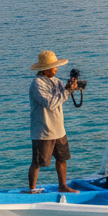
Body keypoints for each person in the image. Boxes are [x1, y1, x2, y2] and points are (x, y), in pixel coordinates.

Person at [26, 49, 80, 194]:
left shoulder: (57, 81)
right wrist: (67, 91)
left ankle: (63, 186)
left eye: (56, 67)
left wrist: (71, 87)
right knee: (37, 161)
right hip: (43, 129)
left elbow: (63, 95)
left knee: (62, 159)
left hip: (58, 128)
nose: (56, 69)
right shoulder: (37, 84)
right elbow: (49, 103)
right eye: (53, 67)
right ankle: (32, 189)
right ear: (45, 69)